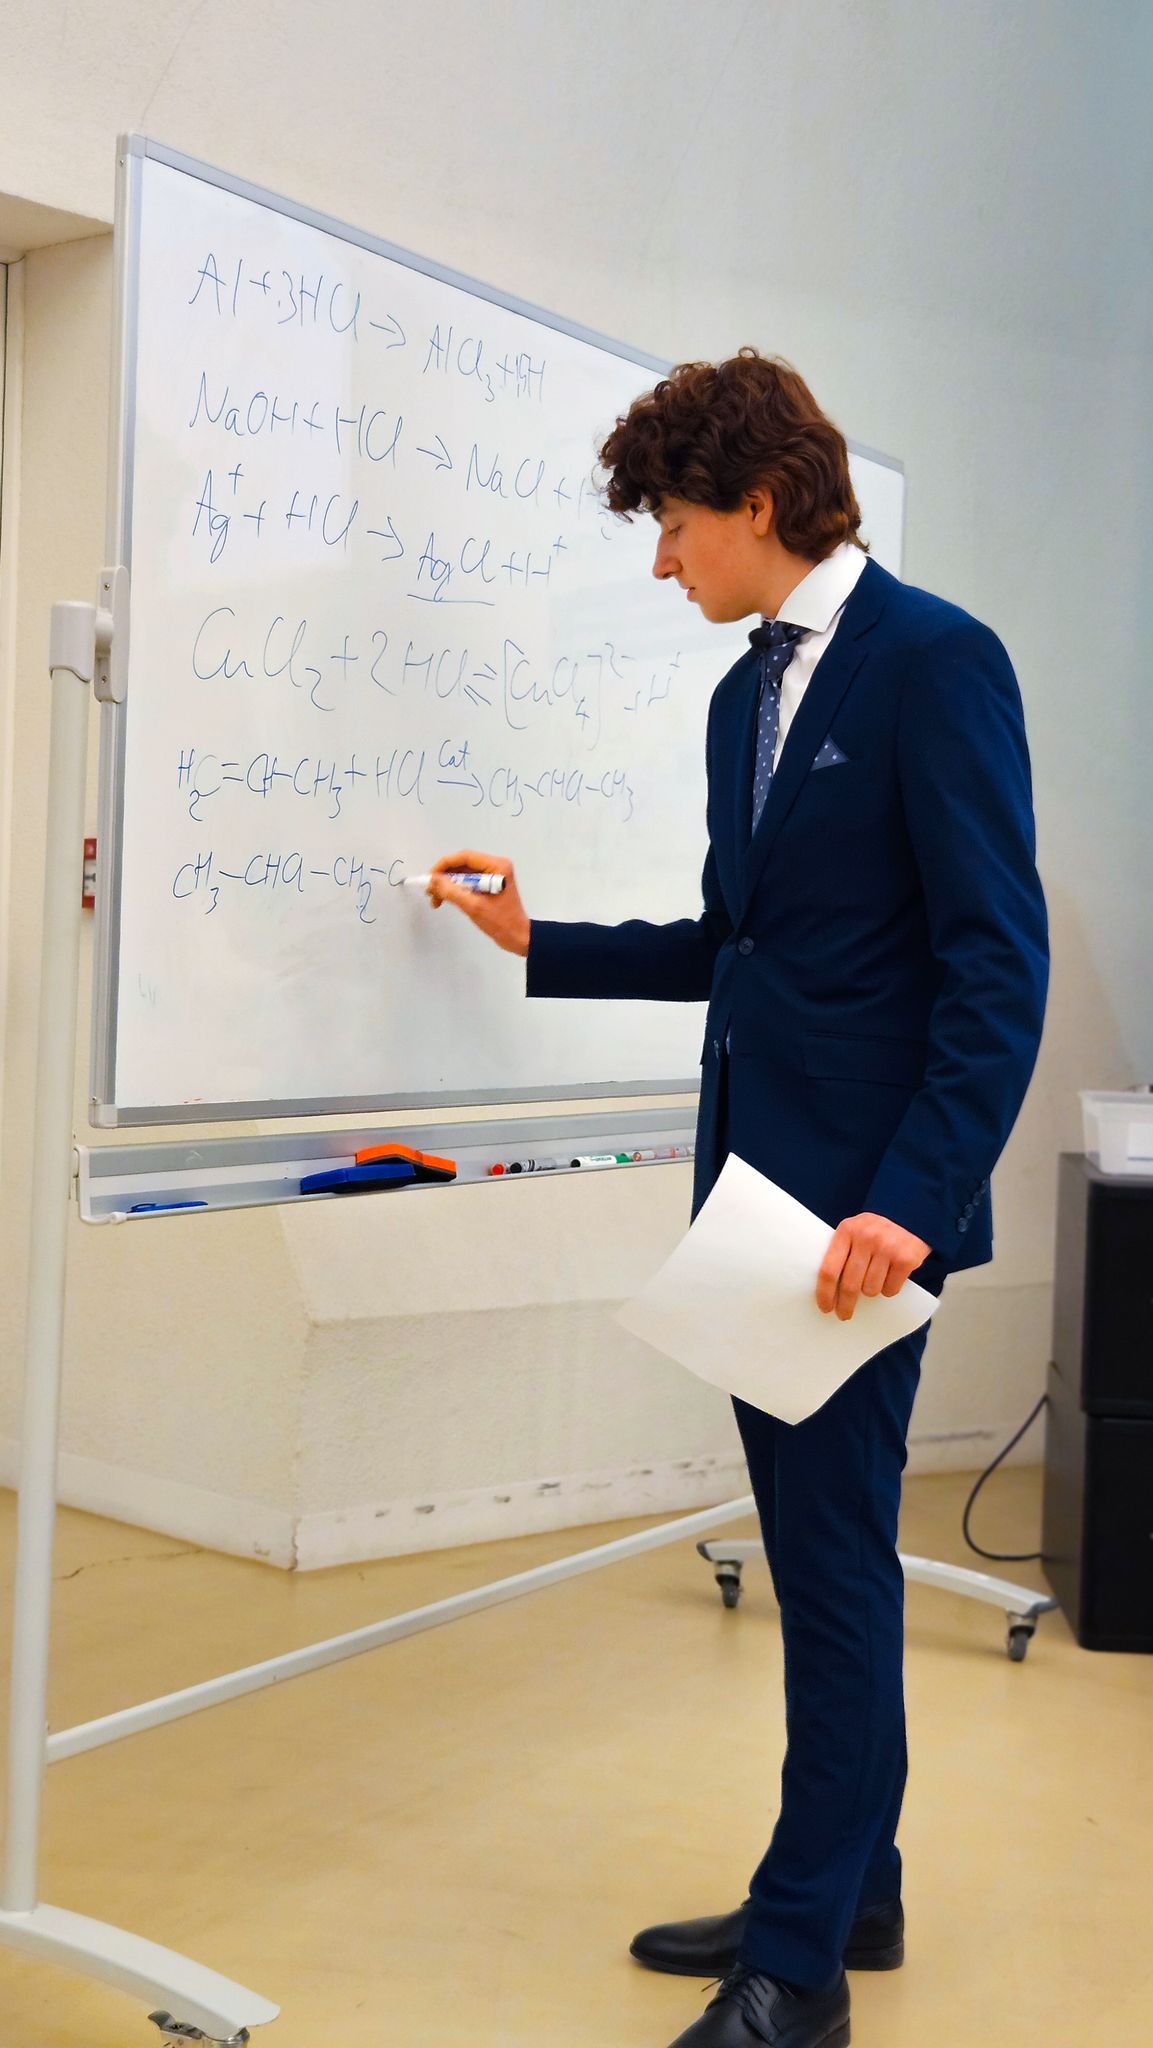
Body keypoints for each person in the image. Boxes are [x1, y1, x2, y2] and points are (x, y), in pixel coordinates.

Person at [427, 349, 1049, 2048]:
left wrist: (912, 1202)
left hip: (862, 1228)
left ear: (758, 505)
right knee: (818, 1556)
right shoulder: (739, 700)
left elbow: (995, 964)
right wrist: (540, 941)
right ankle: (850, 1893)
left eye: (675, 525)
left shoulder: (935, 662)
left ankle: (798, 1969)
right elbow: (741, 942)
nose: (660, 561)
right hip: (757, 1210)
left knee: (832, 1572)